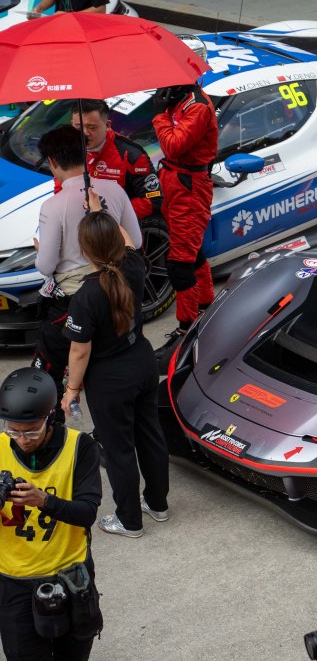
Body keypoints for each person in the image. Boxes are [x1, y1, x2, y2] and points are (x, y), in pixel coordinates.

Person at [60, 207, 169, 538]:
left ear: (84, 250)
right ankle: (158, 504)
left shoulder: (86, 295)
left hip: (110, 381)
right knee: (150, 435)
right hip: (143, 364)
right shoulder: (133, 266)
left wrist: (71, 390)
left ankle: (129, 520)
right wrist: (101, 209)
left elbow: (80, 351)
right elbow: (129, 242)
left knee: (119, 450)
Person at [33, 125, 141, 418]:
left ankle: (51, 428)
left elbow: (45, 266)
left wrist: (39, 250)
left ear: (53, 161)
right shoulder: (114, 189)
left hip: (71, 302)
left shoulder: (53, 206)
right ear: (85, 153)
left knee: (47, 373)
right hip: (118, 291)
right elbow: (136, 241)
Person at [0, 368, 103, 660]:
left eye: (32, 431)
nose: (22, 440)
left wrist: (44, 500)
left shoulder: (80, 448)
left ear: (51, 417)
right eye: (14, 431)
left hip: (69, 575)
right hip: (13, 579)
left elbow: (87, 513)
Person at [151, 83, 219, 369]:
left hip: (189, 187)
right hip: (175, 181)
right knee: (192, 252)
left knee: (180, 264)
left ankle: (186, 331)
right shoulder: (181, 98)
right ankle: (207, 308)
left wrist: (159, 115)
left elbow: (173, 145)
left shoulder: (198, 106)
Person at [69, 99, 161, 221]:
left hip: (117, 226)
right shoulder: (67, 149)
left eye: (92, 127)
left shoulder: (131, 155)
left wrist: (109, 213)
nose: (85, 133)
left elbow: (153, 200)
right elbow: (61, 187)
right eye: (78, 127)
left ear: (107, 125)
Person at [30, 0, 107, 14]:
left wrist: (69, 15)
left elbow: (100, 9)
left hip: (85, 30)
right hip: (63, 27)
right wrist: (39, 8)